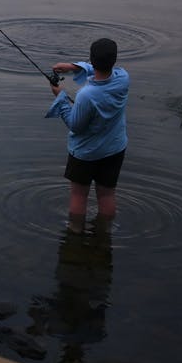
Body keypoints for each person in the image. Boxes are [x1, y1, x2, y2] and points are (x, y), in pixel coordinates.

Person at [47, 37, 129, 232]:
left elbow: (76, 126)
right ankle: (104, 233)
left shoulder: (87, 95)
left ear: (92, 59)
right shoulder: (124, 78)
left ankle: (75, 234)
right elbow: (103, 70)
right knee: (107, 195)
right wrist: (73, 67)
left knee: (78, 195)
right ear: (114, 60)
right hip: (114, 150)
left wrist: (60, 97)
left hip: (86, 153)